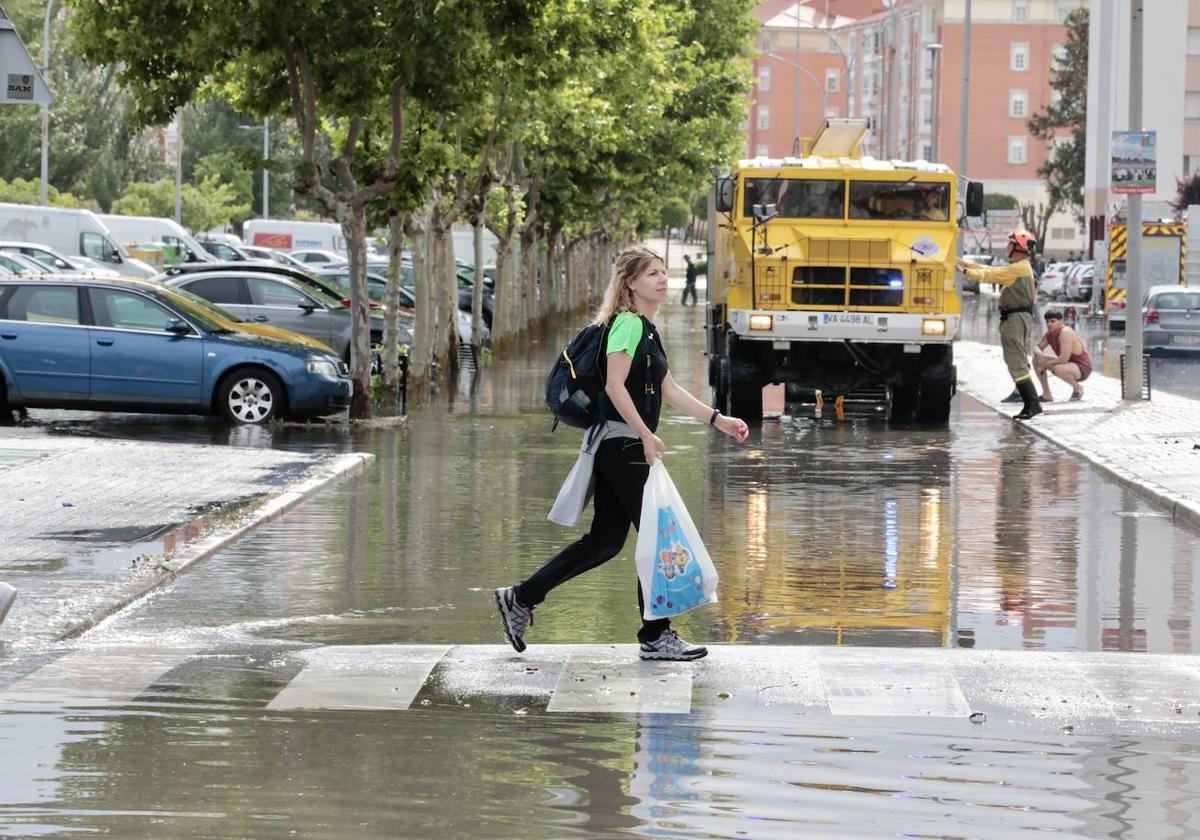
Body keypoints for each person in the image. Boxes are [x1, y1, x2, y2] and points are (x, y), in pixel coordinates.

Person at [495, 245, 750, 661]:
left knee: (605, 542)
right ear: (630, 283)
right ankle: (655, 634)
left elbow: (668, 390)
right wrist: (645, 435)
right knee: (656, 535)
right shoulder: (627, 325)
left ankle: (520, 597)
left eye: (664, 272)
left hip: (623, 443)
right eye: (652, 273)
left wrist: (717, 419)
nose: (663, 279)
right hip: (623, 444)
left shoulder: (647, 329)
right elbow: (615, 386)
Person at [957, 229, 1042, 420]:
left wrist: (965, 272)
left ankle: (1032, 403)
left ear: (1017, 247)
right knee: (1016, 360)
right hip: (1016, 318)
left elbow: (992, 274)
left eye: (1010, 243)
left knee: (1016, 361)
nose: (1007, 246)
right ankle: (1031, 403)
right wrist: (963, 263)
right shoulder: (1021, 266)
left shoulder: (1019, 268)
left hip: (1015, 319)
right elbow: (990, 270)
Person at [1032, 309, 1092, 401]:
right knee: (1036, 359)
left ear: (1060, 322)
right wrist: (1040, 355)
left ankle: (1078, 388)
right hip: (1069, 364)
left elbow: (1063, 359)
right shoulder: (1050, 334)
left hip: (1083, 368)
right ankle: (1047, 394)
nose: (1049, 324)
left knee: (1058, 368)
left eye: (1053, 321)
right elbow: (1037, 347)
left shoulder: (1065, 332)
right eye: (1047, 321)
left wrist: (1045, 364)